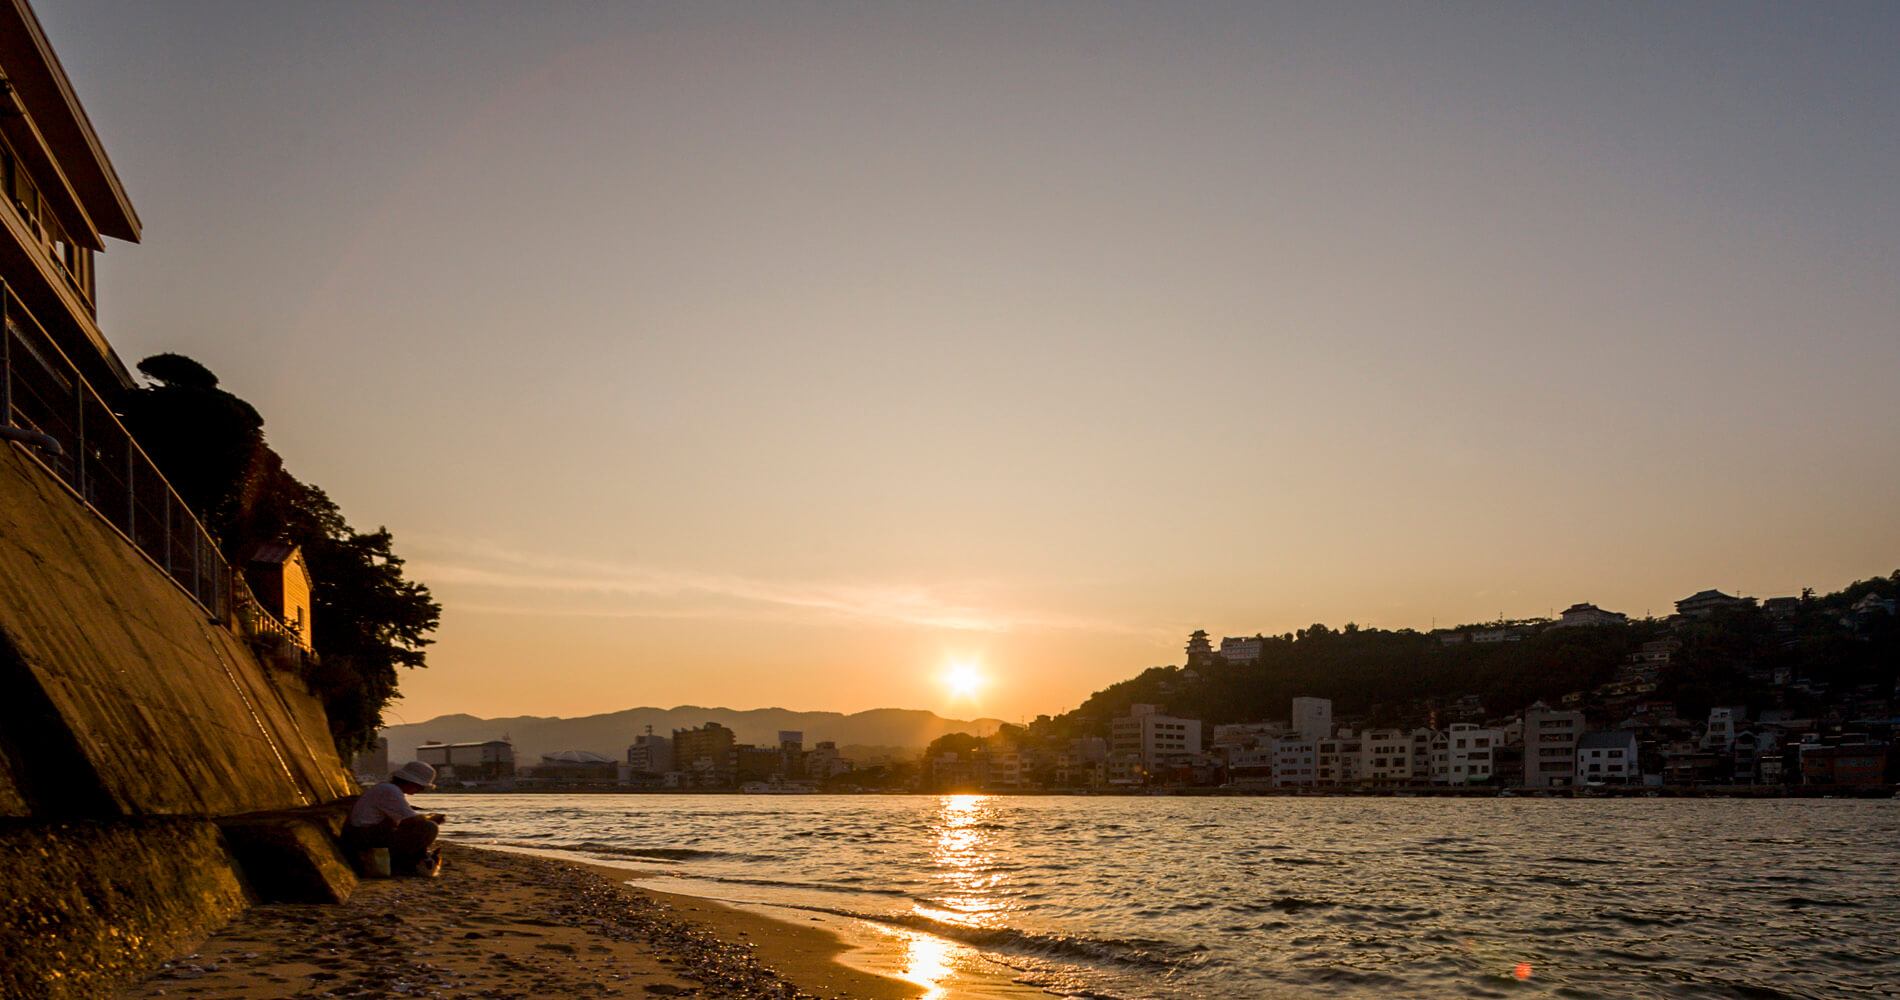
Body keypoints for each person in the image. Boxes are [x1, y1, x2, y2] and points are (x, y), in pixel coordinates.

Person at [344, 761, 445, 876]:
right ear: (412, 782)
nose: (420, 790)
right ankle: (398, 864)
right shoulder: (390, 791)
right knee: (429, 828)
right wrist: (432, 817)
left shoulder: (387, 788)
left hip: (362, 836)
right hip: (363, 839)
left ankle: (400, 863)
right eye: (421, 787)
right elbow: (412, 819)